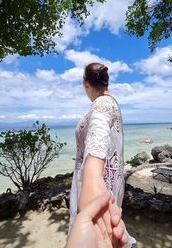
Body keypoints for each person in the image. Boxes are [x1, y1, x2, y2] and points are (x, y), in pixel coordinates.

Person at [69, 63, 136, 247]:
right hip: (107, 182)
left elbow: (98, 134)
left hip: (97, 184)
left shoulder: (102, 103)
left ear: (86, 83)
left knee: (97, 233)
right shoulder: (112, 103)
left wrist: (91, 179)